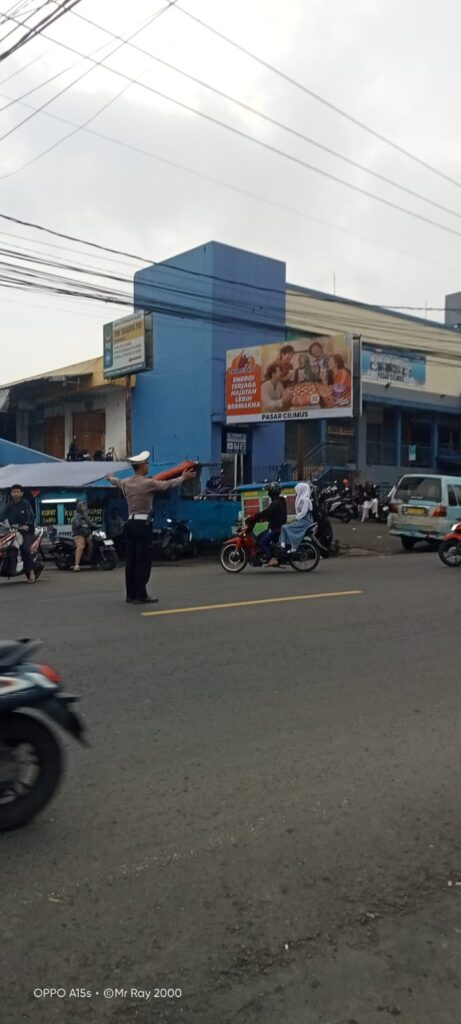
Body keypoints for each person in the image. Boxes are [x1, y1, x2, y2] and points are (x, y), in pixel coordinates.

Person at [106, 451, 196, 604]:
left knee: (131, 560)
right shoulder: (147, 483)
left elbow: (117, 482)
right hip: (143, 525)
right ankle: (141, 594)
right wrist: (183, 477)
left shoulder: (127, 482)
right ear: (141, 466)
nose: (148, 466)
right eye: (146, 464)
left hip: (130, 524)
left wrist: (110, 478)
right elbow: (168, 484)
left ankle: (131, 594)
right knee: (143, 560)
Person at [0, 484, 36, 582]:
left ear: (21, 493)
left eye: (18, 492)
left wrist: (27, 525)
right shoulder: (8, 506)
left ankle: (31, 571)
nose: (16, 494)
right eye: (14, 492)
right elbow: (1, 516)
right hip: (13, 532)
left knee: (25, 549)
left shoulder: (26, 504)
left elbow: (31, 517)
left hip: (26, 532)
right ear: (11, 494)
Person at [246, 483, 287, 567]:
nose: (268, 493)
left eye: (269, 491)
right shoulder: (279, 502)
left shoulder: (276, 503)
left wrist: (255, 516)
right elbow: (271, 515)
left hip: (275, 528)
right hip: (277, 527)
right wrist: (261, 519)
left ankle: (272, 559)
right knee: (260, 536)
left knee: (261, 542)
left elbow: (267, 512)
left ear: (273, 491)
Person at [280, 482, 314, 552]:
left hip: (306, 521)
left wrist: (294, 520)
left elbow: (303, 512)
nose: (296, 492)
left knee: (285, 527)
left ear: (301, 490)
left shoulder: (305, 499)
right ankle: (284, 546)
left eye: (297, 490)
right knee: (284, 527)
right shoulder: (301, 499)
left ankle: (289, 548)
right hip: (302, 520)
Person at [72, 500, 94, 571]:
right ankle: (77, 565)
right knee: (81, 547)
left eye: (84, 506)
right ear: (79, 507)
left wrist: (97, 525)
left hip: (86, 534)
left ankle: (90, 558)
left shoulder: (85, 515)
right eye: (82, 506)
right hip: (79, 534)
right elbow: (76, 523)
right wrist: (82, 525)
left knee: (92, 544)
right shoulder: (76, 516)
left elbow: (90, 522)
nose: (84, 507)